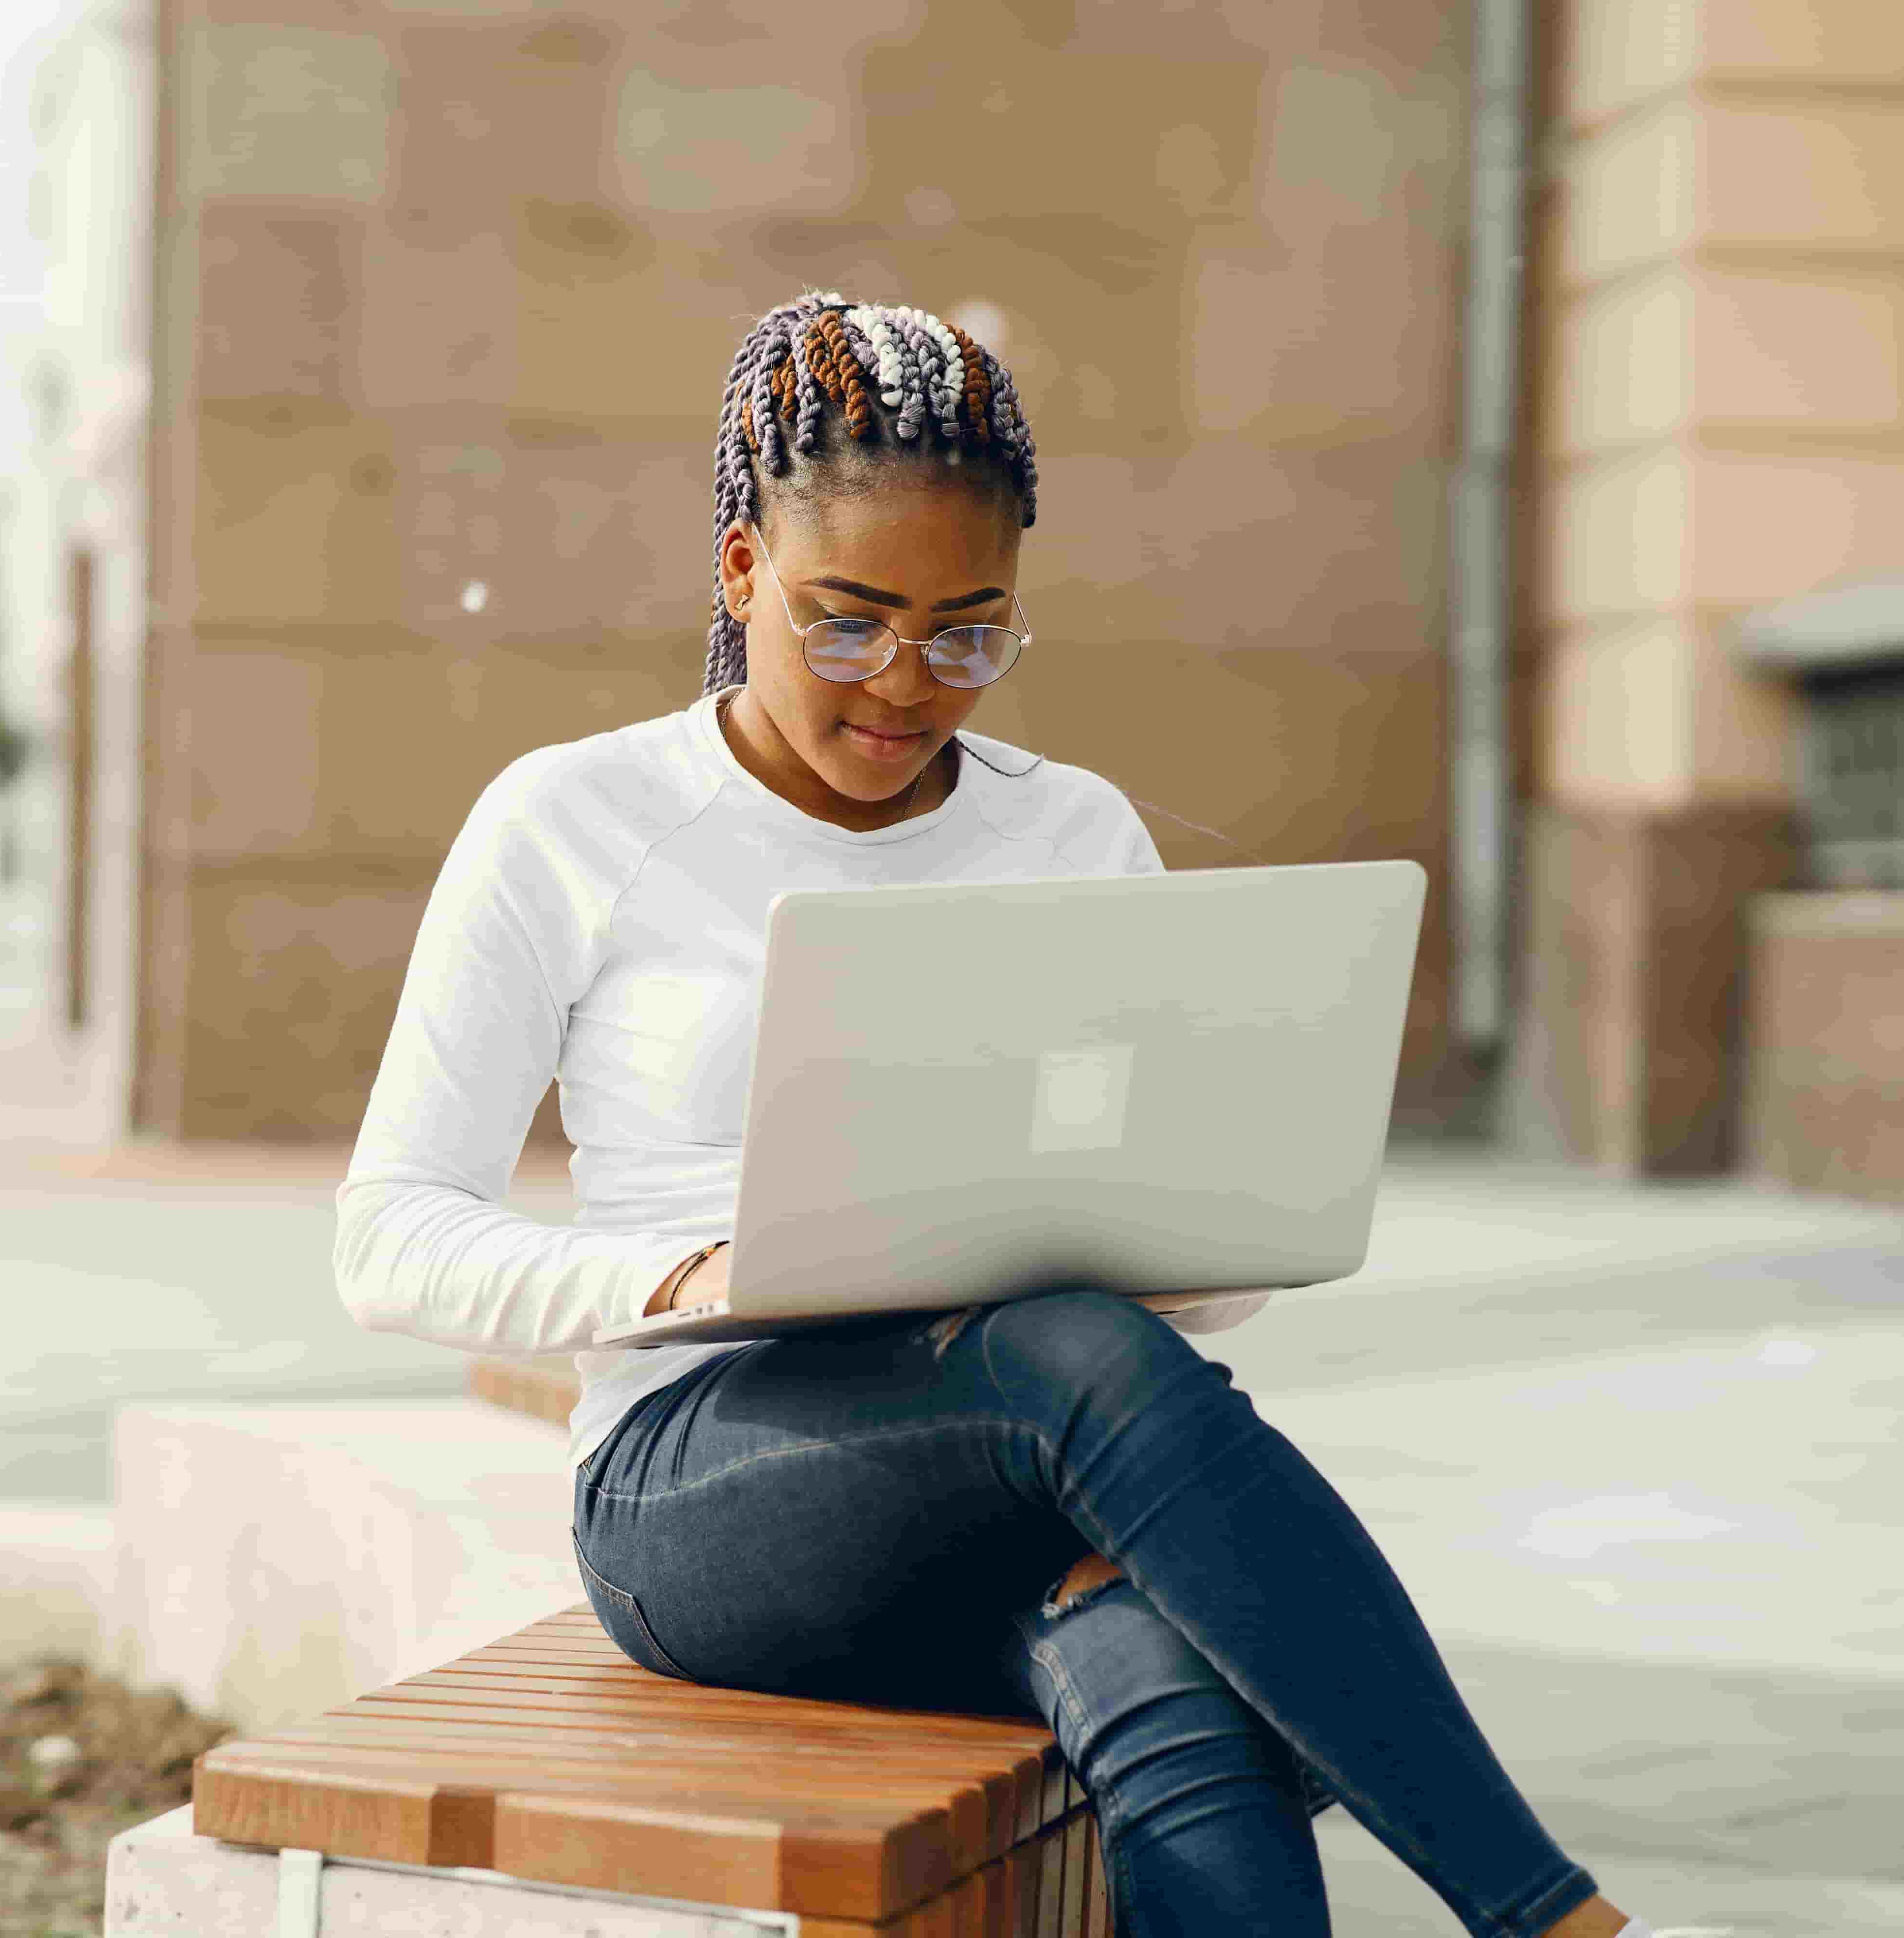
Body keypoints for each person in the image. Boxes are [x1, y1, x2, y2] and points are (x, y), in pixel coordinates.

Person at [334, 291, 1656, 1938]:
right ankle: (1549, 1915)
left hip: (1042, 1455)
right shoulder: (574, 817)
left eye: (969, 632)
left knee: (1159, 1662)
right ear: (743, 571)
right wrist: (685, 1277)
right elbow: (388, 1240)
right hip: (711, 1483)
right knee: (1077, 1365)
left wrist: (1175, 1239)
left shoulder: (1076, 831)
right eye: (847, 621)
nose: (905, 683)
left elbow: (1191, 1289)